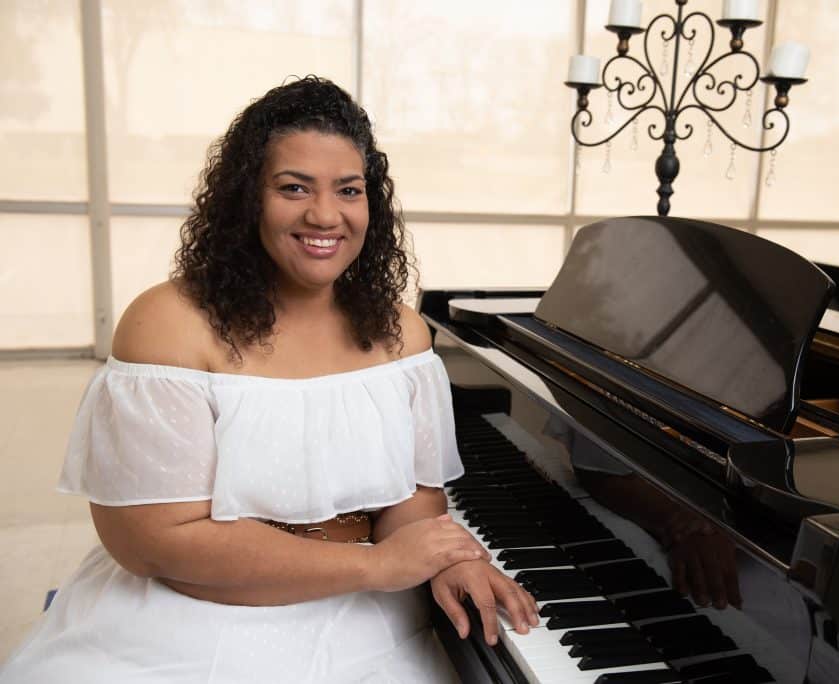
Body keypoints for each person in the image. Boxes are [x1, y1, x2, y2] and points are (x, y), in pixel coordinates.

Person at [0, 76, 538, 683]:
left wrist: (443, 559)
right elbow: (150, 543)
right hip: (195, 610)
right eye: (293, 188)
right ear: (247, 198)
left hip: (371, 608)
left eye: (349, 190)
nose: (325, 214)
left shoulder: (402, 333)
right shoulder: (167, 324)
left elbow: (410, 500)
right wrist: (376, 567)